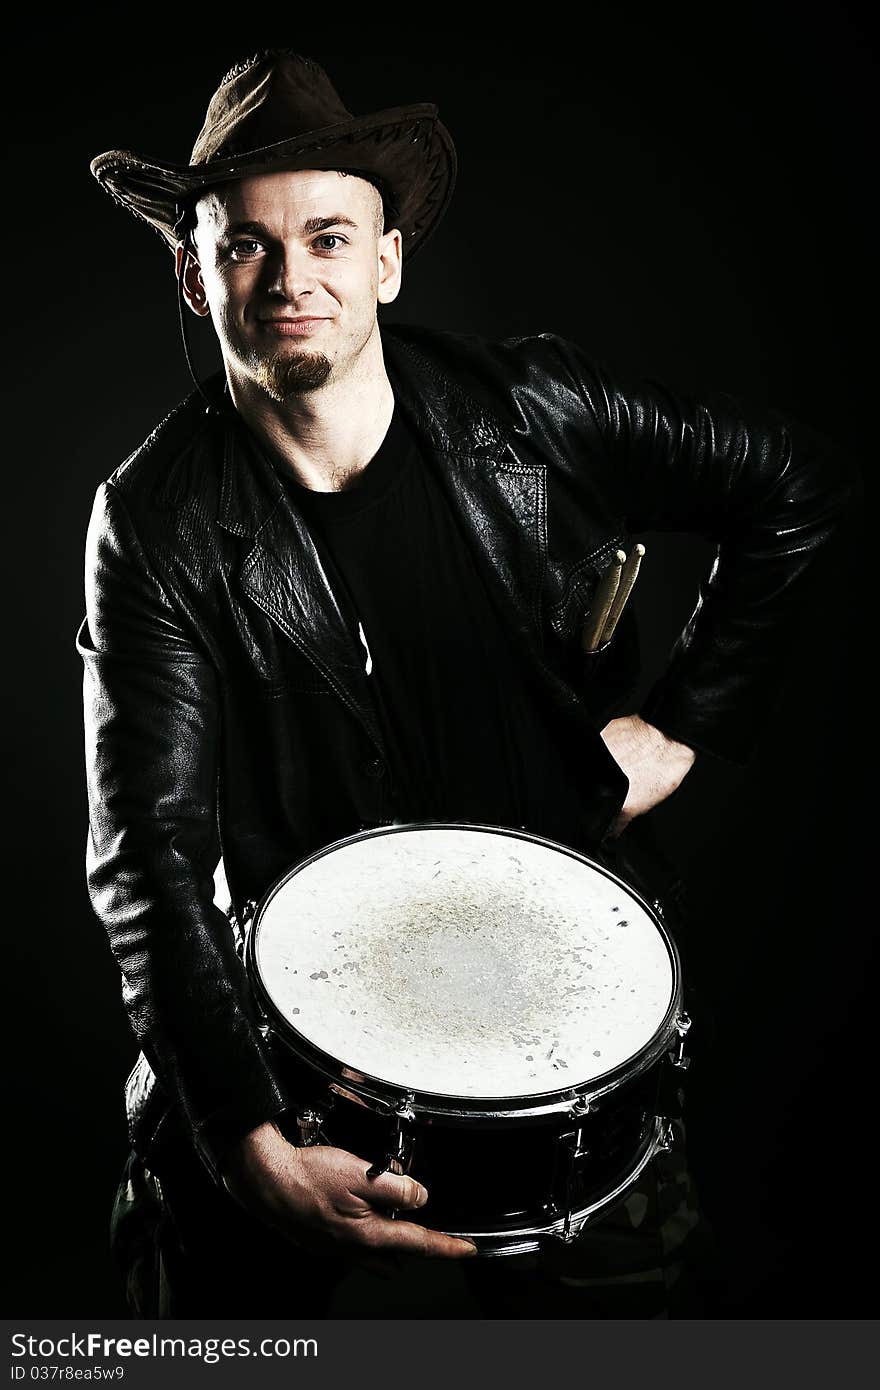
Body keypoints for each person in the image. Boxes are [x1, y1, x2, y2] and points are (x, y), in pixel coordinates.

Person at [79, 49, 856, 1319]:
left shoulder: (536, 413)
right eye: (246, 247)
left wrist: (681, 723)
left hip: (557, 1041)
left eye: (329, 236)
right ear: (192, 270)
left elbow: (794, 486)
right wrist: (246, 1146)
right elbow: (146, 860)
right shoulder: (155, 516)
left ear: (385, 261)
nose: (292, 280)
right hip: (296, 1055)